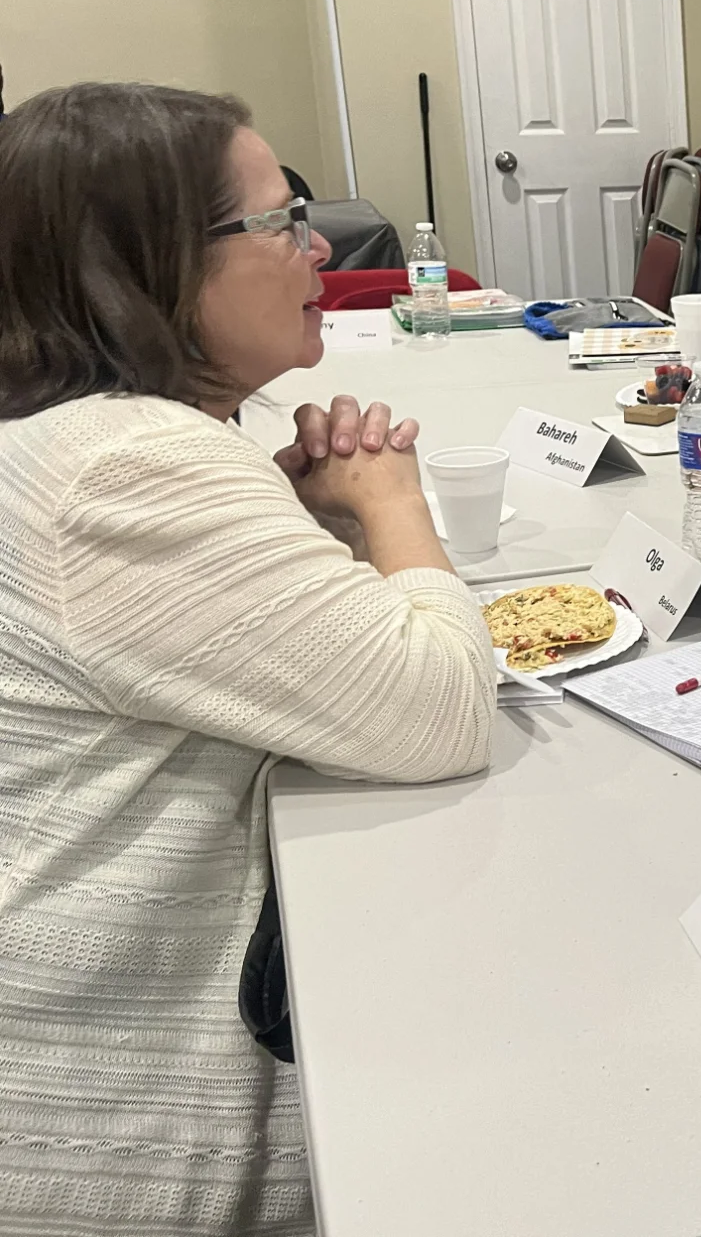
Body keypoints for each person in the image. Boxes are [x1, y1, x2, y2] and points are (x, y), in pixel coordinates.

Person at [0, 83, 496, 1231]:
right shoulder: (125, 467)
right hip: (122, 1127)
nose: (318, 245)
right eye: (281, 220)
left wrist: (284, 526)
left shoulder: (79, 432)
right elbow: (439, 709)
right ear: (151, 264)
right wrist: (387, 503)